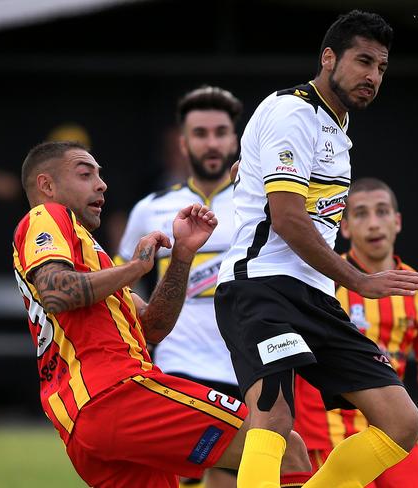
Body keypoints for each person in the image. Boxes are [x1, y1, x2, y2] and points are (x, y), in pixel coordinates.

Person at [12, 141, 311, 488]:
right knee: (284, 447)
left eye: (100, 174)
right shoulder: (46, 217)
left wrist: (181, 257)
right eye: (85, 173)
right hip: (116, 394)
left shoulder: (93, 259)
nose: (101, 184)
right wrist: (135, 268)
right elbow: (56, 292)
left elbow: (153, 327)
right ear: (46, 185)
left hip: (85, 421)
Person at [215, 10, 418, 488]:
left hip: (314, 297)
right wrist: (360, 280)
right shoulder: (293, 110)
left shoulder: (338, 129)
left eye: (381, 68)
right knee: (273, 419)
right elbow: (289, 218)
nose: (372, 76)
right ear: (328, 57)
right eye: (363, 61)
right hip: (261, 288)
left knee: (401, 422)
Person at [293, 177, 418, 487]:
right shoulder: (323, 283)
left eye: (382, 212)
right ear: (346, 227)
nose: (374, 223)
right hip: (331, 433)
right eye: (361, 214)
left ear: (397, 222)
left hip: (394, 430)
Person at [118, 85, 243, 488]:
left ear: (235, 139)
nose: (212, 142)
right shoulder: (150, 208)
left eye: (221, 131)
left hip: (245, 367)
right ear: (183, 142)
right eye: (201, 133)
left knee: (229, 478)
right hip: (176, 366)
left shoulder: (259, 206)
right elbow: (120, 287)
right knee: (175, 479)